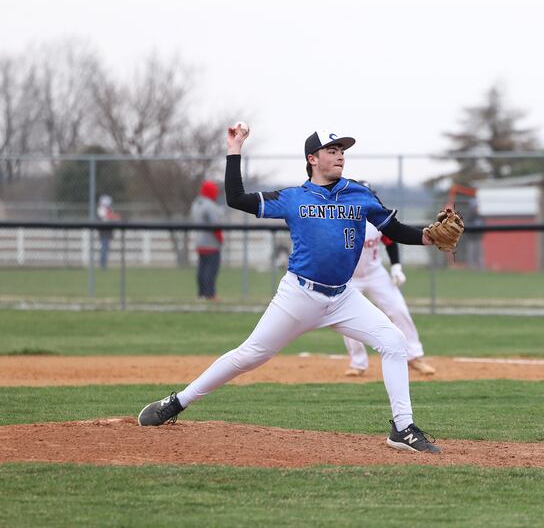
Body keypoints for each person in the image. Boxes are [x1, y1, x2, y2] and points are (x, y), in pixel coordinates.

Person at [137, 126, 442, 453]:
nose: (340, 154)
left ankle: (402, 427)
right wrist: (234, 148)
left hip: (343, 297)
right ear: (312, 158)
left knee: (394, 341)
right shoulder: (293, 198)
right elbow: (236, 199)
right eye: (331, 149)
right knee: (249, 356)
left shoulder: (360, 195)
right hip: (299, 295)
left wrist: (427, 237)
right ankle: (177, 402)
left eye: (342, 150)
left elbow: (393, 229)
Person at [342, 181, 435, 377]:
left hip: (375, 273)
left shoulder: (377, 221)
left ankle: (414, 357)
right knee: (347, 318)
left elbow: (391, 242)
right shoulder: (342, 221)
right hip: (348, 277)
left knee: (399, 309)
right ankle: (358, 363)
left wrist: (396, 267)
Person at [191, 180, 225, 300]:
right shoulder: (210, 205)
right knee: (211, 270)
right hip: (211, 243)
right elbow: (215, 225)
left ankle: (201, 293)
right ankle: (209, 294)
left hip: (199, 241)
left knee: (202, 269)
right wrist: (220, 239)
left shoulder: (196, 204)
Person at [96, 194, 120, 269]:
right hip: (103, 230)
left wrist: (116, 217)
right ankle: (103, 264)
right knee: (104, 247)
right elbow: (108, 217)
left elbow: (111, 216)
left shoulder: (108, 209)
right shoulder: (101, 209)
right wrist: (115, 217)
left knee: (106, 247)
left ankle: (104, 264)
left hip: (108, 230)